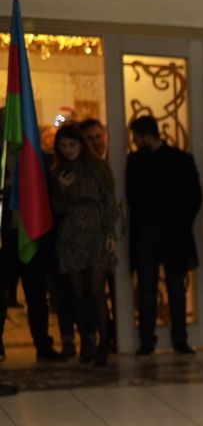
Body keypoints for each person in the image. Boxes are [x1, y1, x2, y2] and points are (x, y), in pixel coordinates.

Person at [125, 114, 202, 356]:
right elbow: (194, 197)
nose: (134, 142)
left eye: (136, 137)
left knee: (159, 287)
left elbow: (193, 196)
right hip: (166, 232)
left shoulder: (140, 162)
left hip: (160, 232)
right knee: (165, 287)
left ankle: (155, 340)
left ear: (144, 136)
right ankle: (172, 339)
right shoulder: (178, 159)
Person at [49, 123, 120, 367]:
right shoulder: (59, 172)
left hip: (96, 232)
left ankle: (104, 342)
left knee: (97, 290)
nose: (68, 150)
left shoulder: (98, 168)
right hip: (71, 234)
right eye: (63, 146)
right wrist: (61, 190)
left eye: (72, 145)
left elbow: (109, 202)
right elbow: (58, 209)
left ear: (81, 144)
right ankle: (87, 340)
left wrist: (110, 233)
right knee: (78, 294)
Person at [0, 109, 64, 361]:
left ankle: (43, 345)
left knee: (36, 293)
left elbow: (50, 194)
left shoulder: (39, 158)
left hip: (33, 234)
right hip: (5, 236)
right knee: (2, 292)